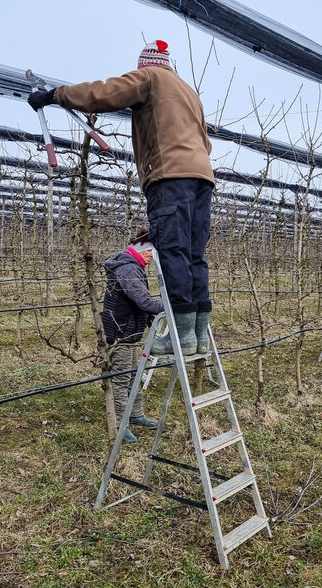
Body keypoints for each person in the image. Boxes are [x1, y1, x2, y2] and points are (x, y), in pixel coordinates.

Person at [29, 40, 214, 356]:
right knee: (194, 254)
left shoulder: (150, 77)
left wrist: (55, 95)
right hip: (202, 178)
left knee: (172, 253)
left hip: (168, 175)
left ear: (146, 64)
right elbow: (204, 142)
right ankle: (197, 334)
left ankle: (180, 337)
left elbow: (105, 93)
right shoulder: (189, 93)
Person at [102, 228, 164, 443]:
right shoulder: (128, 269)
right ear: (143, 249)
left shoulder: (134, 266)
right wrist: (172, 308)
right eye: (150, 252)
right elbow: (143, 300)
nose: (152, 257)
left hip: (130, 330)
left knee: (133, 375)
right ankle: (120, 424)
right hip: (120, 331)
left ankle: (136, 414)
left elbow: (141, 303)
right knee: (121, 379)